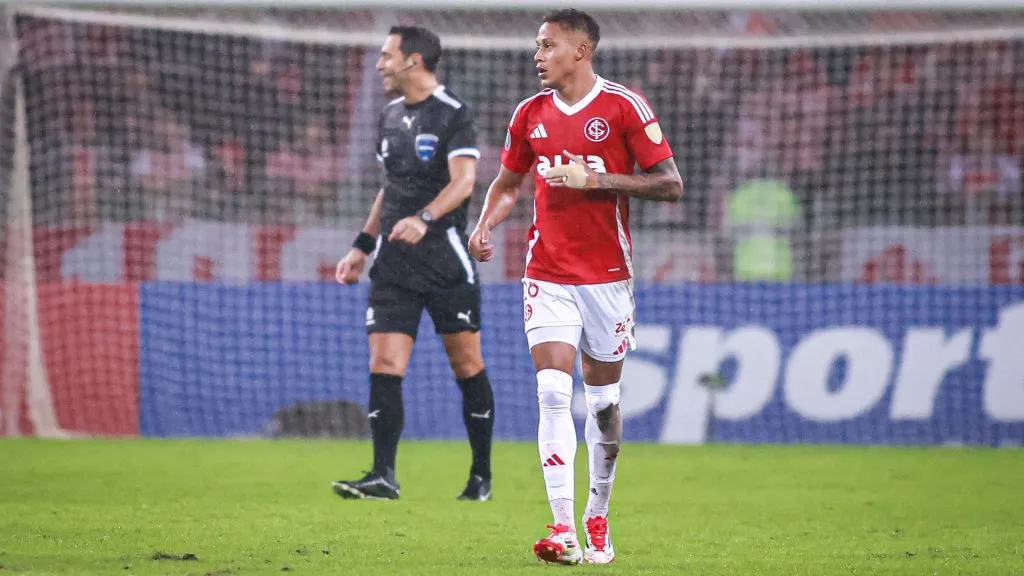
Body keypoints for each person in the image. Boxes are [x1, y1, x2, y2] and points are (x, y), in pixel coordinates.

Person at [468, 8, 683, 565]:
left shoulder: (622, 107)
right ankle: (562, 528)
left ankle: (598, 514)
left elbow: (670, 184)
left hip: (608, 277)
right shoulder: (529, 113)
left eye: (548, 46)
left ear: (580, 50)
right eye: (537, 46)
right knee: (552, 394)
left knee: (605, 403)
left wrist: (598, 180)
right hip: (548, 272)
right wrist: (487, 219)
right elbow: (509, 182)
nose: (537, 55)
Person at [332, 25, 494, 502]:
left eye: (386, 56)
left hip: (444, 262)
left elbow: (464, 181)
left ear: (414, 61)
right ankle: (383, 475)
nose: (379, 64)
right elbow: (391, 187)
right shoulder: (388, 115)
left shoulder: (453, 115)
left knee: (466, 364)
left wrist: (425, 218)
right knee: (384, 361)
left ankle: (480, 475)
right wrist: (362, 244)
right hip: (394, 263)